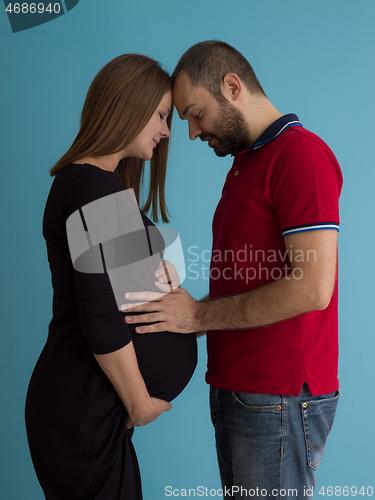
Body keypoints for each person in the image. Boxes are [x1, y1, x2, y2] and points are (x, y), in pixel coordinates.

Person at [121, 41, 343, 499]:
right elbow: (251, 279)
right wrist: (182, 311)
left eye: (195, 113)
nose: (191, 132)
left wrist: (197, 318)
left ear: (232, 86)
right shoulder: (246, 164)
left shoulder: (299, 155)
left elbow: (312, 288)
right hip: (243, 389)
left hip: (277, 395)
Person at [25, 54, 197, 500]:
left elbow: (117, 290)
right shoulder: (89, 186)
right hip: (84, 410)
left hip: (91, 411)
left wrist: (163, 272)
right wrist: (139, 402)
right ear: (127, 104)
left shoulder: (99, 185)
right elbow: (100, 315)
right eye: (161, 115)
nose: (166, 130)